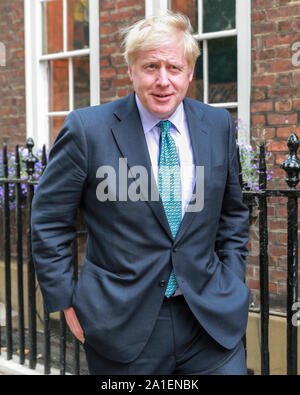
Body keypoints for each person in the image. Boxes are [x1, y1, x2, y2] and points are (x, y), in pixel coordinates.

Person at [31, 11, 250, 375]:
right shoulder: (88, 130)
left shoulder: (218, 124)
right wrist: (65, 298)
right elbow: (49, 220)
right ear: (131, 71)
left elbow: (232, 213)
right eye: (151, 67)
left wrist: (232, 278)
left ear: (190, 73)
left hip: (209, 322)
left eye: (174, 68)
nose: (163, 80)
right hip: (122, 326)